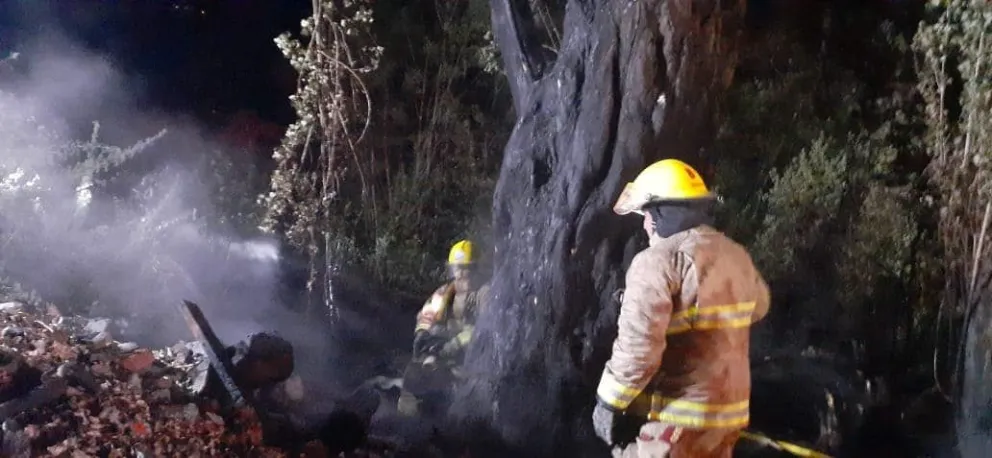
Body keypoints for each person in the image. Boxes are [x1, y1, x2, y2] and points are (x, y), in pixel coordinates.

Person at [592, 159, 770, 457]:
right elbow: (759, 307)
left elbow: (638, 350)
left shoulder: (657, 263)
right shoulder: (735, 254)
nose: (645, 224)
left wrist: (608, 402)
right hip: (728, 420)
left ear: (662, 214)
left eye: (647, 214)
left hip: (679, 424)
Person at [397, 239, 490, 416]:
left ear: (477, 269)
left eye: (467, 268)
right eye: (458, 268)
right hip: (444, 354)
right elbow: (427, 314)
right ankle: (409, 419)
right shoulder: (446, 292)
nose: (462, 274)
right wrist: (421, 334)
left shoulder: (485, 294)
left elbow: (485, 328)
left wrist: (453, 345)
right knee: (413, 375)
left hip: (474, 359)